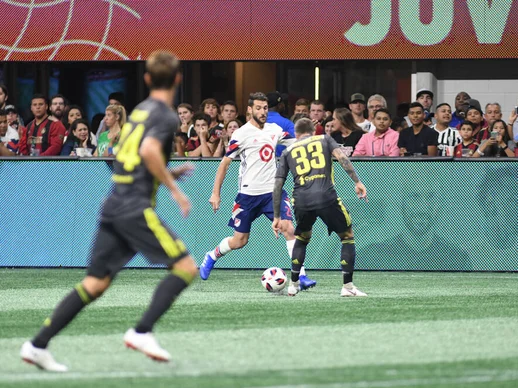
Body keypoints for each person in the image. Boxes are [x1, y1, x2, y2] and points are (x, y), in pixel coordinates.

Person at [20, 50, 198, 371]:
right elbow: (147, 151)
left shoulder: (141, 111)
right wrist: (175, 190)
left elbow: (131, 158)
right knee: (186, 267)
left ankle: (37, 344)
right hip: (135, 207)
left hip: (114, 202)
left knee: (95, 284)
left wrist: (168, 174)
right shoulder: (166, 115)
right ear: (177, 79)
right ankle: (141, 331)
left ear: (146, 79)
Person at [199, 92, 317, 290]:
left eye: (265, 108)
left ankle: (301, 276)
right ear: (250, 110)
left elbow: (296, 142)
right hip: (248, 196)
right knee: (239, 240)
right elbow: (225, 164)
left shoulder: (275, 129)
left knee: (288, 227)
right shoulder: (241, 134)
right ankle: (211, 256)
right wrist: (215, 193)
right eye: (259, 108)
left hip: (273, 193)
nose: (263, 112)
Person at [272, 118, 368, 297]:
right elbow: (341, 157)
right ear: (314, 130)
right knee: (347, 236)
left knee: (302, 237)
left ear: (296, 133)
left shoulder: (287, 151)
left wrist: (277, 216)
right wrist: (357, 181)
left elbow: (277, 185)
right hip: (325, 196)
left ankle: (293, 284)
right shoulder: (324, 139)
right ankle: (347, 287)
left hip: (300, 200)